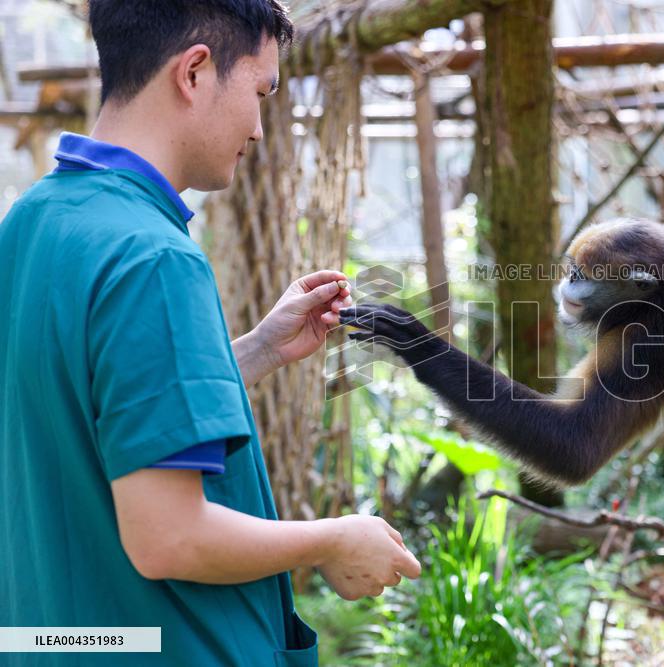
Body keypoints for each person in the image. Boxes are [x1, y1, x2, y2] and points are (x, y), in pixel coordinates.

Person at [0, 1, 420, 665]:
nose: (258, 127)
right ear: (194, 72)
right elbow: (168, 537)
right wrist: (334, 537)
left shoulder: (31, 223)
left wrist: (254, 351)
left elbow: (88, 407)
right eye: (259, 92)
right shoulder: (153, 257)